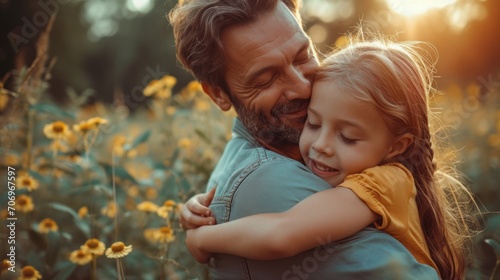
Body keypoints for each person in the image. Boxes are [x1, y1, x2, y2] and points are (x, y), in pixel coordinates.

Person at [169, 0, 441, 279]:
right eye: (265, 79)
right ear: (218, 94)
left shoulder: (374, 177)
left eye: (302, 56)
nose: (302, 86)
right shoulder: (269, 185)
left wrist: (201, 237)